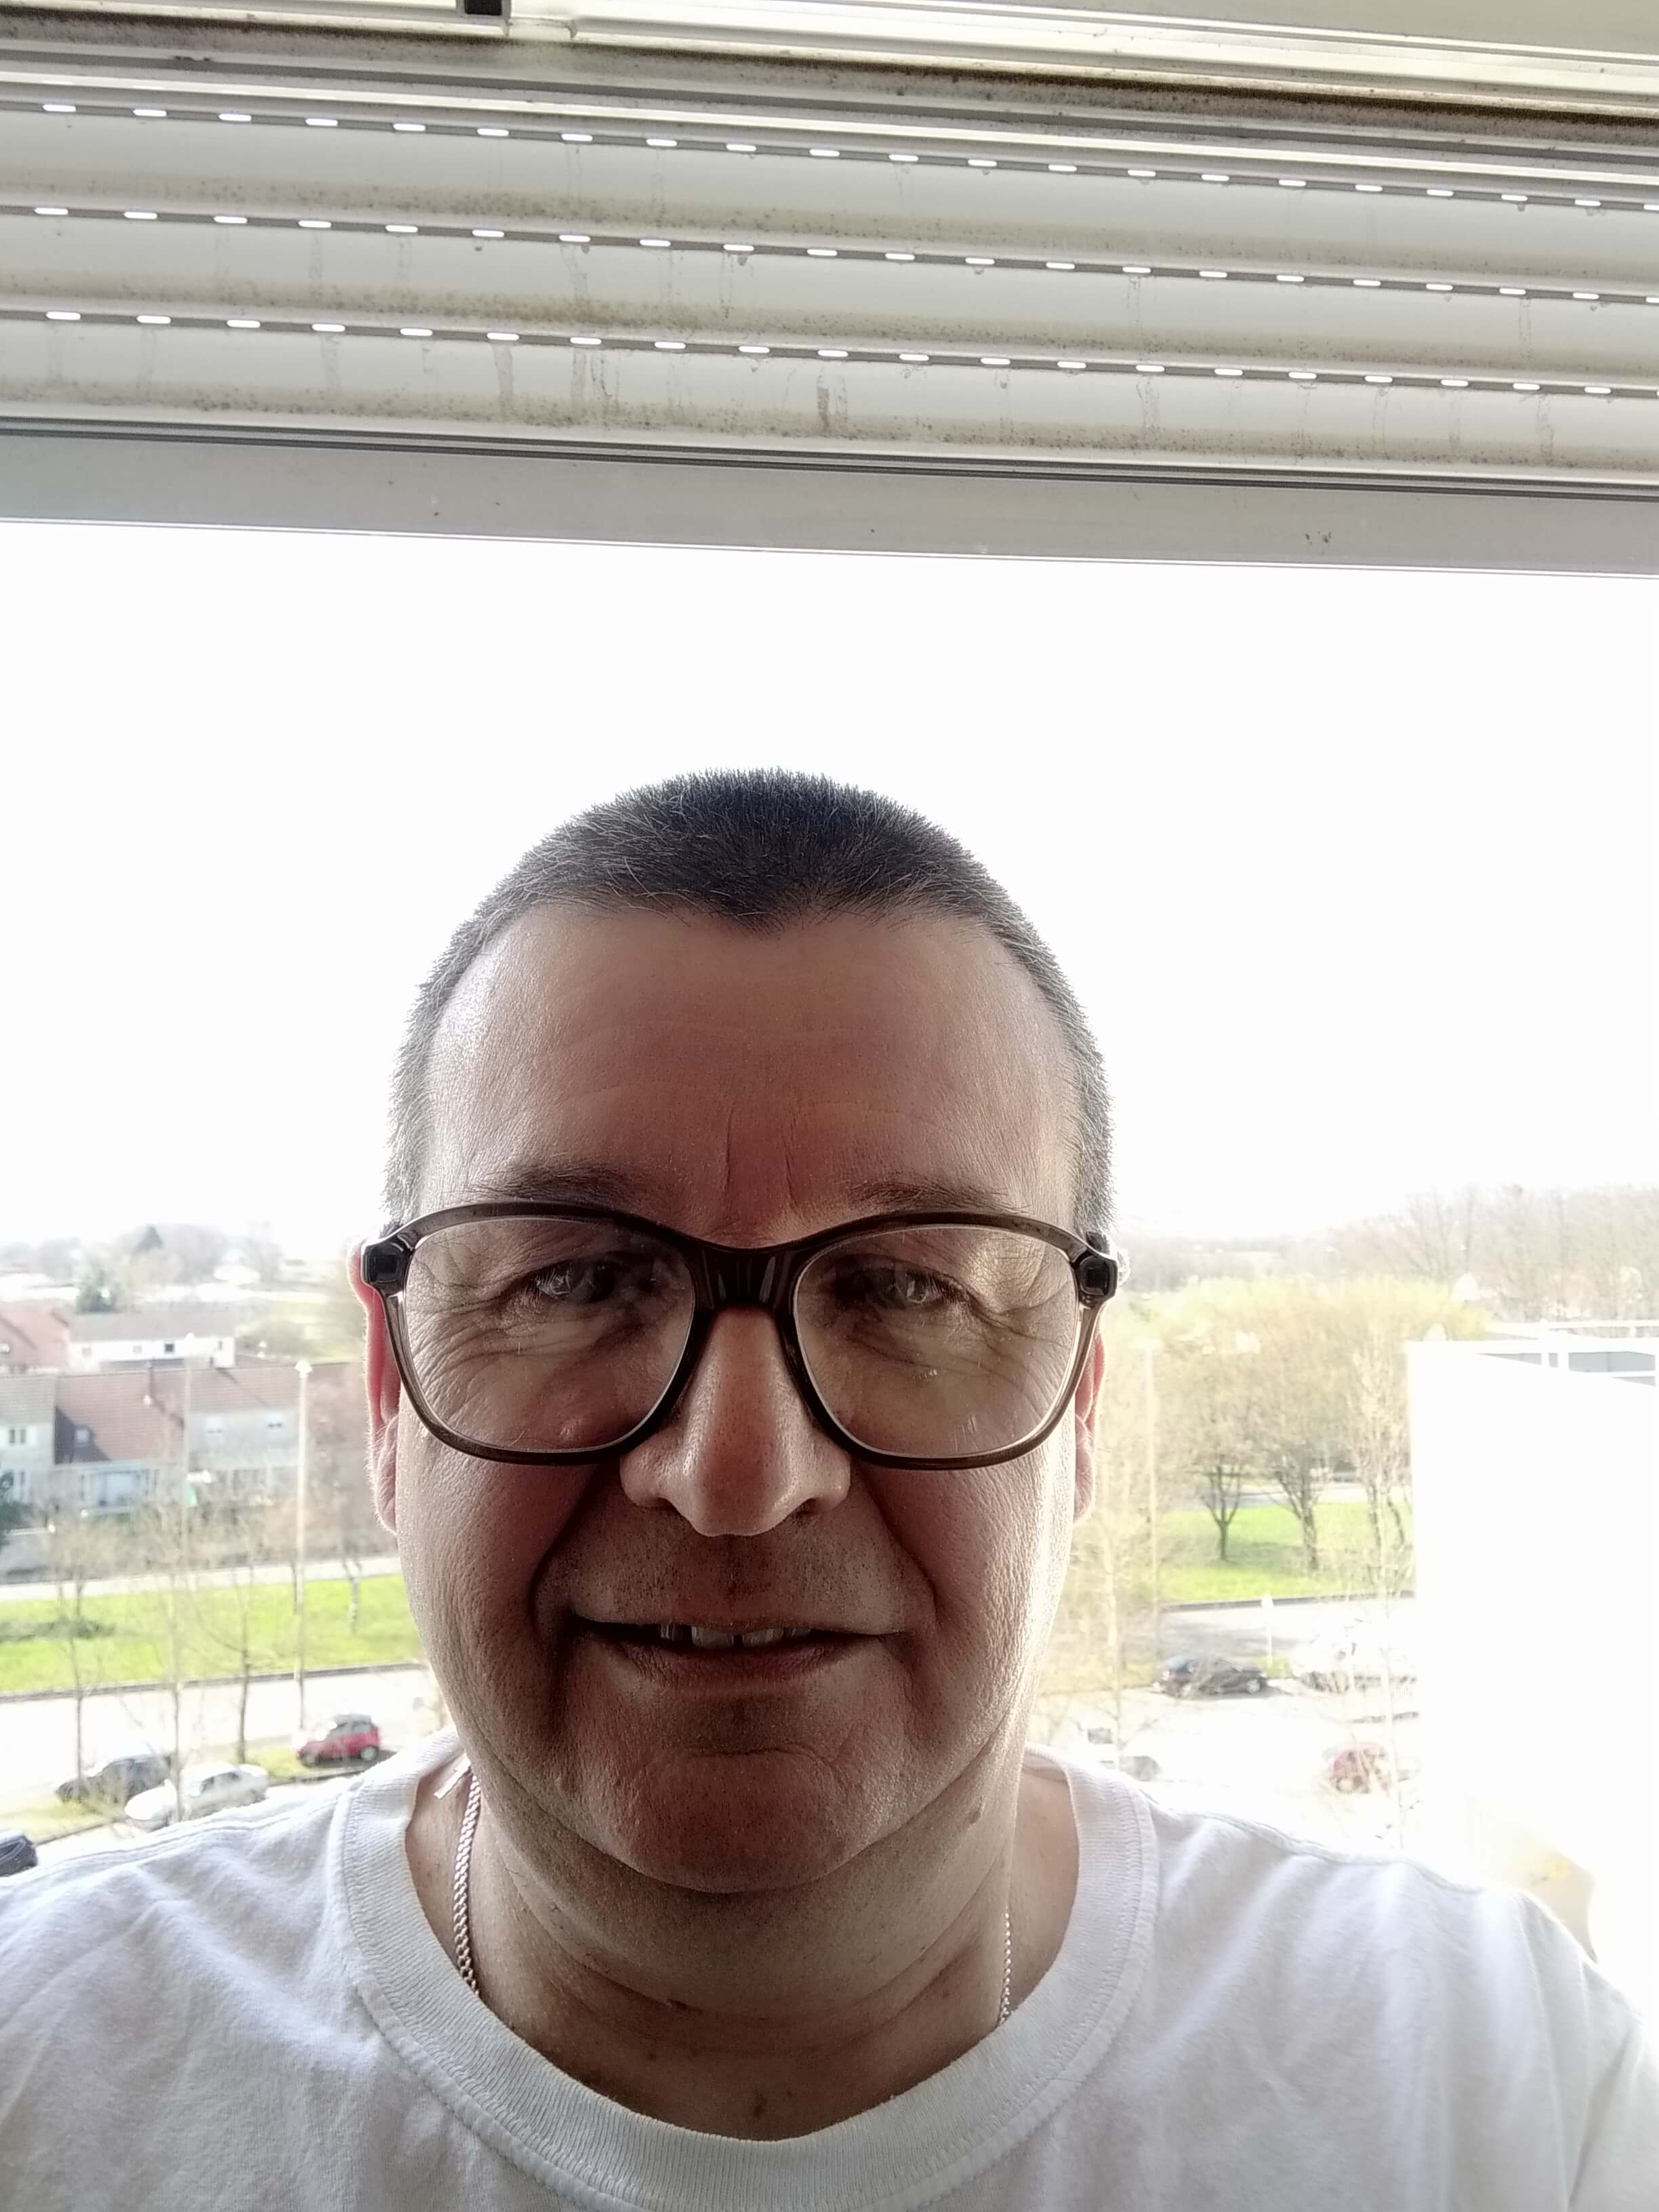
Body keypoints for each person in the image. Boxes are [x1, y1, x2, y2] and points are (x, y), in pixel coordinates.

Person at [1, 770, 1654, 2209]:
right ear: (388, 1393)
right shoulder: (42, 2078)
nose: (737, 1477)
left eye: (906, 1288)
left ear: (1080, 1404)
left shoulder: (1503, 2092)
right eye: (577, 1278)